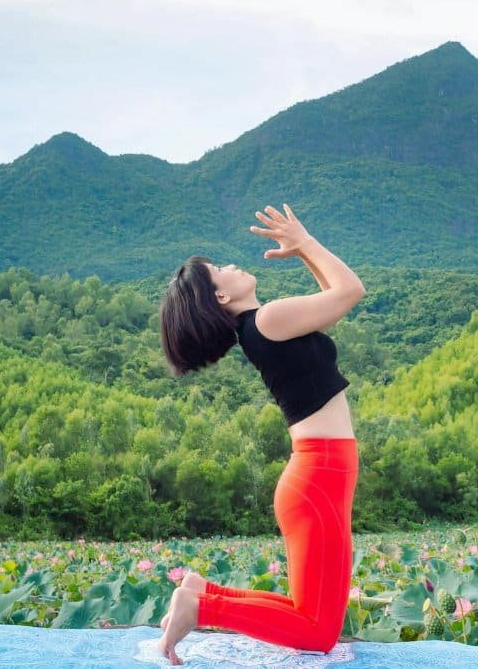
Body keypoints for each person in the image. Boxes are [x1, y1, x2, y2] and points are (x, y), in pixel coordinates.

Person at [155, 204, 364, 665]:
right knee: (317, 633)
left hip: (321, 476)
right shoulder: (267, 321)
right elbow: (350, 290)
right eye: (219, 272)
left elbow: (332, 292)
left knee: (308, 615)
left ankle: (201, 594)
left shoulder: (265, 327)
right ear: (222, 299)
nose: (230, 266)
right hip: (318, 477)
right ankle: (201, 605)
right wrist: (304, 241)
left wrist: (300, 250)